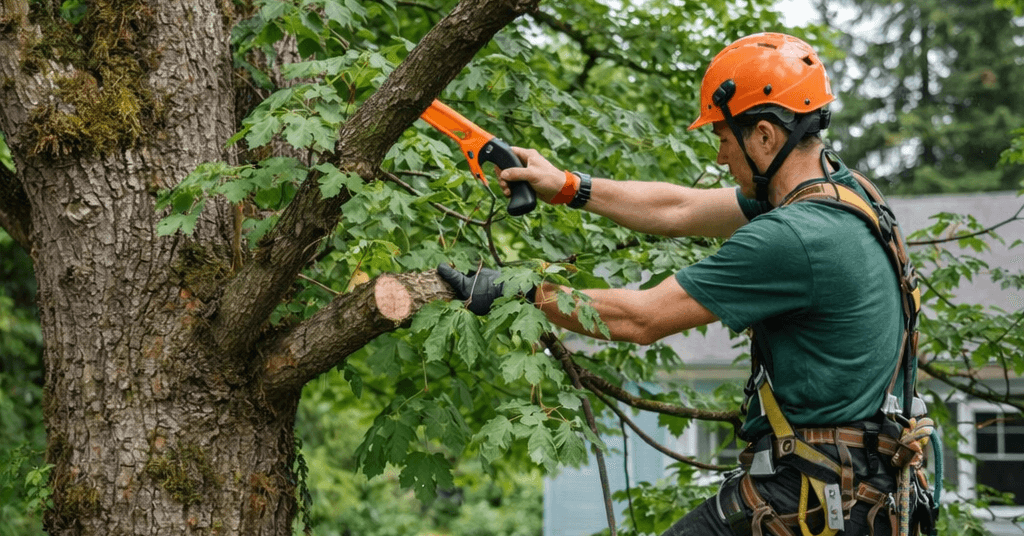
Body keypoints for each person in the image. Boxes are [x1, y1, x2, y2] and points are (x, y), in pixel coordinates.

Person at [437, 32, 935, 536]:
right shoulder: (846, 194)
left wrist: (519, 288)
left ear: (764, 136)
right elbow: (680, 209)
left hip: (811, 494)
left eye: (723, 138)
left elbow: (640, 318)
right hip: (858, 491)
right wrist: (567, 185)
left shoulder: (793, 237)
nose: (721, 156)